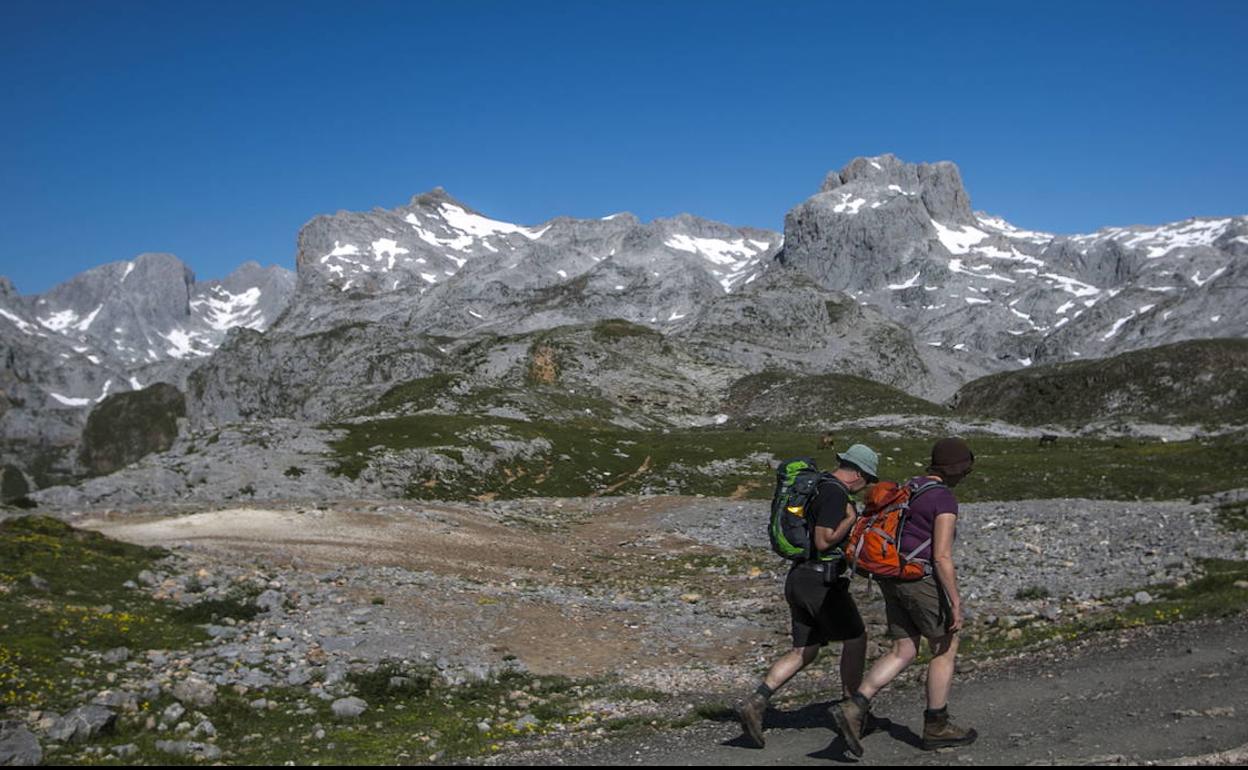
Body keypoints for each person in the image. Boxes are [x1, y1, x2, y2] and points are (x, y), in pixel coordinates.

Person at [831, 436, 976, 756]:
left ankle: (854, 707)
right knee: (945, 646)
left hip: (891, 576)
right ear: (956, 469)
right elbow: (941, 556)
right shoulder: (943, 499)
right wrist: (955, 602)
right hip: (918, 579)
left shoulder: (911, 486)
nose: (965, 476)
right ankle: (936, 726)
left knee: (904, 648)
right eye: (965, 470)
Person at [733, 444, 880, 748]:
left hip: (799, 578)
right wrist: (850, 519)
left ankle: (756, 702)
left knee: (805, 649)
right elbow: (823, 540)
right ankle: (853, 710)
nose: (867, 485)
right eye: (868, 479)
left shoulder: (816, 486)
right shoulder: (835, 493)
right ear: (858, 474)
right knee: (855, 639)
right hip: (820, 581)